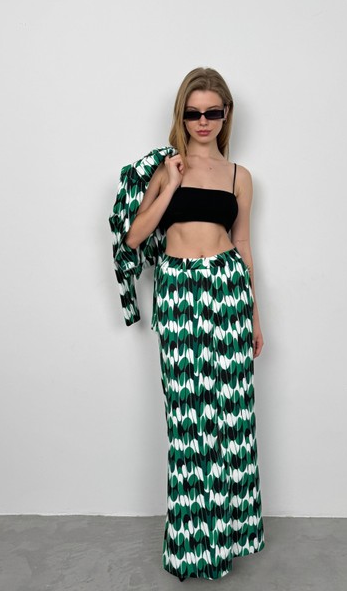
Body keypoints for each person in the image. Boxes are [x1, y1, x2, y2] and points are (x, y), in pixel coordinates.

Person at [125, 67, 265, 581]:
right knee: (187, 422)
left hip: (228, 289)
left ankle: (225, 539)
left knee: (230, 420)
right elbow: (135, 237)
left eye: (212, 112)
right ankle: (189, 546)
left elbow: (243, 243)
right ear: (181, 115)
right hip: (179, 291)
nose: (202, 121)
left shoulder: (240, 176)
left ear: (226, 115)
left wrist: (254, 313)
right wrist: (171, 185)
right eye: (192, 112)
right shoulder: (167, 167)